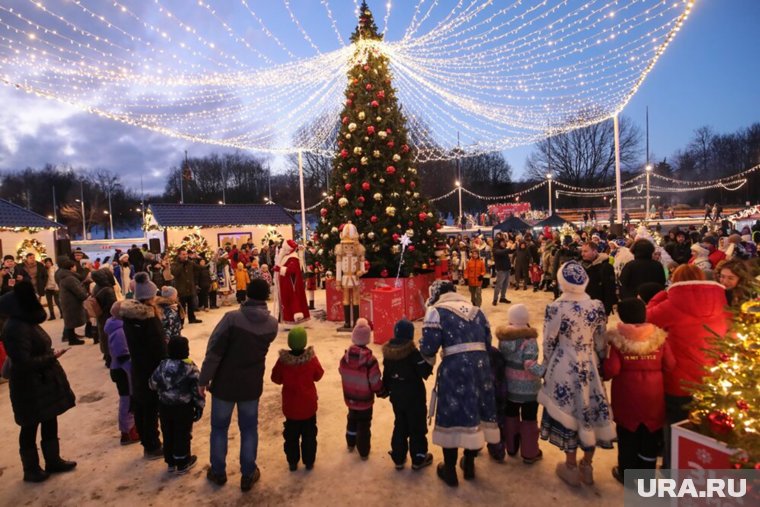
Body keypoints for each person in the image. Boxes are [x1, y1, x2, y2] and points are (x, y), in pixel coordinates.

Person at [538, 261, 614, 487]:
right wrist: (600, 360)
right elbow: (601, 339)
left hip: (564, 364)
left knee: (569, 411)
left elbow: (549, 341)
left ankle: (570, 467)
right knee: (589, 408)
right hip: (589, 362)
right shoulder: (597, 306)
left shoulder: (556, 308)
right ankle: (587, 465)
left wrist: (546, 366)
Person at [645, 264, 728, 468]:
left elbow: (647, 318)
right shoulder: (722, 302)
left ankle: (670, 469)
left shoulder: (672, 304)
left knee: (675, 424)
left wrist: (662, 295)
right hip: (713, 378)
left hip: (678, 380)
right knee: (704, 428)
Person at [199, 279, 277, 491]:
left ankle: (217, 471)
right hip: (251, 385)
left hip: (225, 384)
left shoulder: (231, 319)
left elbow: (214, 351)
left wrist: (203, 379)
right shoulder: (272, 324)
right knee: (249, 428)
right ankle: (248, 473)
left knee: (219, 428)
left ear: (248, 295)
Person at [420, 280, 499, 487]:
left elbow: (429, 346)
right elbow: (488, 341)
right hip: (481, 368)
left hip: (455, 369)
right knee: (475, 411)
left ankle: (449, 469)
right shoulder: (477, 311)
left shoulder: (436, 311)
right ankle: (470, 464)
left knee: (453, 415)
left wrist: (426, 360)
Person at [1, 281, 77, 482]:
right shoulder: (15, 327)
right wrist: (51, 357)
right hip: (29, 385)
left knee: (50, 419)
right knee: (30, 425)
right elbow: (22, 361)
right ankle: (31, 469)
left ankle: (53, 460)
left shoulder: (26, 321)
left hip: (43, 381)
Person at [604, 298, 675, 483]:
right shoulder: (659, 337)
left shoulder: (618, 339)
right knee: (650, 435)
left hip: (628, 395)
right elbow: (670, 364)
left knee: (627, 434)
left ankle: (626, 473)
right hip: (654, 394)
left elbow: (612, 370)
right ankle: (647, 474)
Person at [118, 272, 168, 460]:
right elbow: (159, 347)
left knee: (143, 406)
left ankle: (148, 442)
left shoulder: (130, 317)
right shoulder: (148, 319)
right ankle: (152, 444)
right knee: (151, 408)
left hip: (138, 367)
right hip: (152, 368)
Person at [381, 319, 434, 471]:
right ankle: (418, 458)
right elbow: (425, 371)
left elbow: (387, 376)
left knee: (400, 425)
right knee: (417, 427)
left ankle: (398, 456)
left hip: (397, 398)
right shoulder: (413, 353)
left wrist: (385, 390)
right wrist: (429, 359)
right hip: (415, 398)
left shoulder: (388, 354)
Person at [270, 327, 324, 471]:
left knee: (291, 437)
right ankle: (309, 460)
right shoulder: (311, 359)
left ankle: (293, 461)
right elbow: (319, 375)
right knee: (309, 436)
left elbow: (275, 378)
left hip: (291, 408)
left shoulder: (283, 362)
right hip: (309, 406)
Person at [495, 304, 544, 464]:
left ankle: (511, 447)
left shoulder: (503, 339)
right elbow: (530, 364)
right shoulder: (529, 340)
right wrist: (544, 369)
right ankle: (530, 452)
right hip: (529, 390)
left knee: (510, 416)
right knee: (529, 419)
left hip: (509, 386)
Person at [149, 337, 205, 474]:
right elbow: (197, 390)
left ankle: (170, 461)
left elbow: (152, 383)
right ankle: (182, 461)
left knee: (168, 432)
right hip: (183, 408)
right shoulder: (190, 367)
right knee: (182, 433)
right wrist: (199, 405)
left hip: (164, 407)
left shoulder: (162, 366)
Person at [338, 318, 384, 460]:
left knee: (351, 420)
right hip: (365, 401)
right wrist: (381, 391)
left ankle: (351, 443)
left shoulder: (345, 357)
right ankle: (363, 451)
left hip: (350, 397)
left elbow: (341, 371)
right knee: (364, 426)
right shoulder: (370, 360)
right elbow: (375, 380)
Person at [105, 301, 140, 445]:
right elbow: (122, 353)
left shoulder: (117, 326)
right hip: (123, 371)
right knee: (127, 400)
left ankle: (130, 427)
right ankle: (127, 431)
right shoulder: (119, 331)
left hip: (122, 369)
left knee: (129, 399)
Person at [273, 240, 311, 324]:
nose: (282, 249)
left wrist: (279, 269)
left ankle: (291, 321)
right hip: (286, 283)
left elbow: (293, 270)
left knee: (290, 301)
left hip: (290, 284)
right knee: (286, 301)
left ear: (287, 248)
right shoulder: (287, 256)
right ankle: (286, 319)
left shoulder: (293, 257)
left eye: (284, 247)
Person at [55, 257, 89, 346]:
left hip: (67, 300)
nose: (76, 268)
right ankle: (72, 339)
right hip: (71, 301)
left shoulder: (64, 275)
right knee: (70, 320)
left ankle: (72, 337)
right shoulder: (69, 278)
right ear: (71, 267)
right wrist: (85, 296)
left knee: (69, 320)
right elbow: (77, 290)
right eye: (74, 266)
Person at [580, 242, 617, 315]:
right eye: (582, 251)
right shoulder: (583, 265)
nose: (582, 254)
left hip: (599, 308)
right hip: (583, 307)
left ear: (594, 251)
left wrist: (606, 311)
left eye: (585, 251)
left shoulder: (606, 267)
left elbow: (609, 290)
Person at [91, 268, 118, 364]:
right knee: (110, 336)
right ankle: (110, 358)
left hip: (100, 315)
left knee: (103, 335)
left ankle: (106, 355)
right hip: (108, 316)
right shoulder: (108, 290)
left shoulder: (96, 287)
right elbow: (113, 306)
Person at [171, 248, 202, 324]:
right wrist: (182, 264)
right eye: (183, 254)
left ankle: (192, 319)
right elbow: (175, 273)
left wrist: (197, 260)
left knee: (191, 305)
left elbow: (199, 268)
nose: (185, 256)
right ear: (179, 255)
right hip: (181, 289)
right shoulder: (174, 264)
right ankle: (181, 322)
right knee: (181, 307)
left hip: (190, 288)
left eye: (186, 254)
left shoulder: (190, 263)